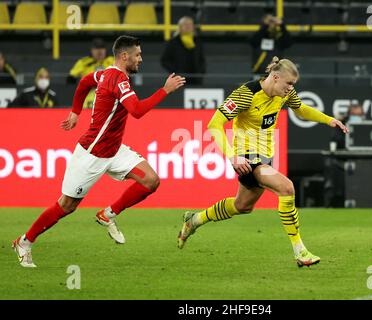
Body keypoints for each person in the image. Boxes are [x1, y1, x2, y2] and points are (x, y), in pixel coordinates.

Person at [12, 35, 186, 268]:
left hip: (114, 150)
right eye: (138, 55)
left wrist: (75, 112)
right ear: (125, 56)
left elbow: (85, 81)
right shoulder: (118, 79)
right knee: (66, 206)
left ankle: (108, 214)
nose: (141, 59)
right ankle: (24, 241)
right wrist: (164, 90)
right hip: (92, 153)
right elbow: (136, 110)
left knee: (151, 180)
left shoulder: (104, 73)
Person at [177, 57, 348, 267]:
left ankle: (193, 220)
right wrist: (232, 155)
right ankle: (300, 252)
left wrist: (329, 120)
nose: (291, 89)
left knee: (242, 206)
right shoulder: (246, 94)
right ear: (275, 77)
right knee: (286, 188)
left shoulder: (284, 93)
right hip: (247, 158)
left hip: (266, 157)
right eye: (289, 84)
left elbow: (301, 108)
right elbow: (214, 123)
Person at [67, 38, 114, 108]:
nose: (99, 51)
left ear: (105, 50)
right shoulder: (84, 62)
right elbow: (70, 79)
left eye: (102, 48)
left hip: (109, 94)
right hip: (88, 95)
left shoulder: (113, 61)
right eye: (96, 48)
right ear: (91, 50)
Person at [161, 16, 206, 85]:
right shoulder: (173, 42)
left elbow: (201, 59)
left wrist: (201, 72)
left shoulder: (197, 42)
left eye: (190, 24)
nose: (188, 27)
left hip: (196, 79)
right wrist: (176, 72)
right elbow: (164, 60)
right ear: (179, 27)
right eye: (185, 24)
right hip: (179, 80)